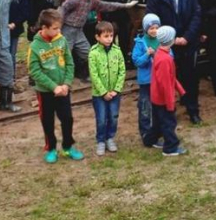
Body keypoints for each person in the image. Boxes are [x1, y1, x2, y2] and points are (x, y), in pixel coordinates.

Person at [146, 0, 202, 124]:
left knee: (190, 79)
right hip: (165, 47)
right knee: (166, 80)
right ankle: (168, 114)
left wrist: (186, 37)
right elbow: (153, 22)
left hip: (187, 43)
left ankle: (193, 111)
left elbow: (196, 16)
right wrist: (169, 39)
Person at [27, 9, 83, 163]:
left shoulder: (62, 40)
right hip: (45, 92)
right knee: (48, 121)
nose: (59, 31)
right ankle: (51, 148)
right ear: (44, 28)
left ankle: (67, 147)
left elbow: (70, 63)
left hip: (63, 90)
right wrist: (53, 87)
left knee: (67, 119)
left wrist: (66, 83)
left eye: (59, 28)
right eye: (55, 28)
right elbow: (34, 71)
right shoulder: (35, 47)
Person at [59, 0, 137, 82]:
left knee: (87, 53)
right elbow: (63, 9)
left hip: (79, 31)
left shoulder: (92, 2)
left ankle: (86, 75)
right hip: (68, 29)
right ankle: (59, 79)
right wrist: (58, 27)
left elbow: (108, 5)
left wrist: (126, 5)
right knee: (63, 54)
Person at [141, 25, 187, 156]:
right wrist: (170, 103)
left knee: (157, 122)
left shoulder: (159, 54)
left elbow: (170, 78)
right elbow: (165, 84)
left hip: (156, 97)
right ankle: (170, 147)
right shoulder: (165, 59)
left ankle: (149, 140)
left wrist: (180, 89)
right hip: (163, 99)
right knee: (169, 123)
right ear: (171, 40)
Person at [88, 21, 126, 156]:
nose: (109, 38)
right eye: (106, 36)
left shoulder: (117, 51)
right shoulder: (93, 53)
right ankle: (101, 140)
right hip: (99, 94)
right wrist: (103, 92)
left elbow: (122, 70)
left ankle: (110, 137)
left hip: (115, 93)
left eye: (111, 35)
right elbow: (94, 74)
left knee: (113, 116)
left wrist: (116, 89)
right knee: (102, 117)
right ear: (97, 37)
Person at [132, 14, 161, 139]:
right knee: (145, 106)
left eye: (156, 27)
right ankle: (145, 132)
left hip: (159, 80)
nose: (154, 30)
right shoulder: (140, 43)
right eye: (151, 28)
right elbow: (137, 61)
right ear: (145, 29)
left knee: (158, 106)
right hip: (146, 81)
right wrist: (147, 55)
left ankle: (158, 129)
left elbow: (170, 57)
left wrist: (157, 56)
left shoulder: (162, 41)